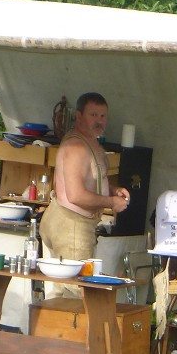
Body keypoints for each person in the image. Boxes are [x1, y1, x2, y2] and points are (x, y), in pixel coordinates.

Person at [39, 92, 129, 292]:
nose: (99, 121)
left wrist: (112, 189)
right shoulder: (76, 146)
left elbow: (90, 179)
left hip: (72, 223)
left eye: (103, 116)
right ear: (79, 116)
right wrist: (111, 202)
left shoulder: (90, 142)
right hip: (71, 224)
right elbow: (76, 195)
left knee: (64, 290)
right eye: (93, 115)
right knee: (79, 293)